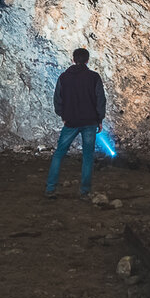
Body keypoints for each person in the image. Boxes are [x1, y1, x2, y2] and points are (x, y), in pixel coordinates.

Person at [45, 47, 106, 199]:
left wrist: (63, 115)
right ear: (87, 61)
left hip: (71, 122)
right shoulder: (94, 77)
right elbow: (100, 99)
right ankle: (84, 192)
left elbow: (57, 99)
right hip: (90, 121)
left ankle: (50, 189)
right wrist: (100, 119)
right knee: (87, 156)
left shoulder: (64, 77)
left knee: (59, 154)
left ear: (72, 60)